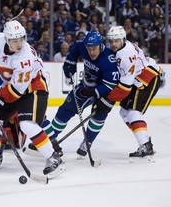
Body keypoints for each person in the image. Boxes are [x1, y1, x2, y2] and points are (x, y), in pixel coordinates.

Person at [0, 20, 65, 178]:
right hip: (10, 86)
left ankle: (53, 158)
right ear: (7, 40)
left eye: (21, 39)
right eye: (15, 41)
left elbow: (16, 91)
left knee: (27, 125)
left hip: (33, 88)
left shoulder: (25, 58)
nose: (19, 44)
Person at [27, 31, 119, 157]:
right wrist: (70, 64)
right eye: (89, 49)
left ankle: (88, 142)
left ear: (101, 45)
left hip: (105, 92)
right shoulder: (82, 44)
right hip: (85, 85)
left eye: (94, 49)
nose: (91, 52)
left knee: (99, 115)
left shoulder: (109, 60)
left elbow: (111, 85)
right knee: (64, 110)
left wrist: (95, 93)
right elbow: (74, 52)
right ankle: (49, 140)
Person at [94, 26, 162, 161]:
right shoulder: (121, 48)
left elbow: (125, 86)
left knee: (133, 112)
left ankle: (145, 145)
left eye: (116, 41)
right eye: (111, 41)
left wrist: (107, 100)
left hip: (148, 78)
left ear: (123, 39)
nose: (113, 44)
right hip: (138, 80)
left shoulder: (126, 55)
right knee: (124, 113)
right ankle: (145, 141)